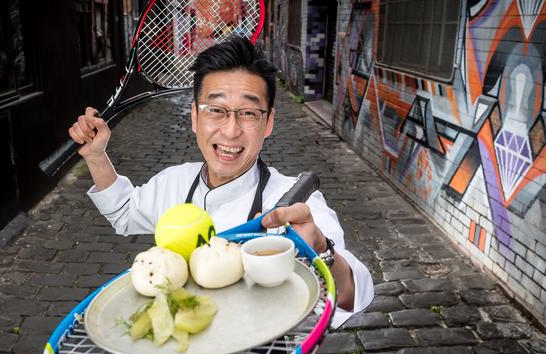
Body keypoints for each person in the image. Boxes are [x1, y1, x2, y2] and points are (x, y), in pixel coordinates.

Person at [68, 36, 373, 327]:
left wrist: (321, 250)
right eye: (215, 110)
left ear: (268, 123)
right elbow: (123, 211)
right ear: (194, 118)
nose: (230, 131)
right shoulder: (173, 183)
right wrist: (96, 156)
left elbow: (350, 297)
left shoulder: (294, 202)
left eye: (248, 113)